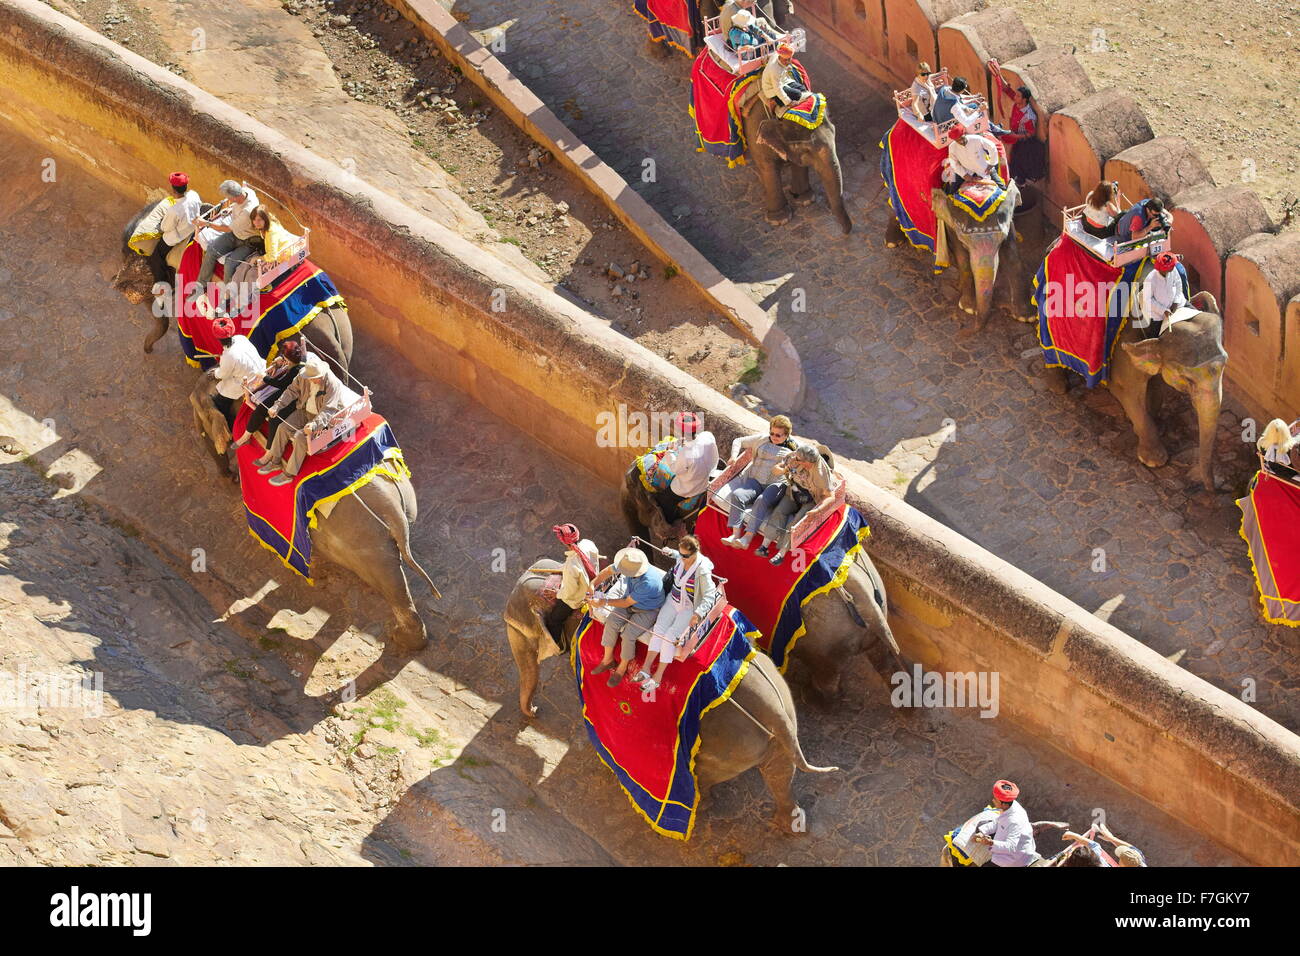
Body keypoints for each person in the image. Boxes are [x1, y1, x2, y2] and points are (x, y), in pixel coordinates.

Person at [253, 352, 361, 486]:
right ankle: (275, 461)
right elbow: (291, 391)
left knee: (300, 437)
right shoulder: (303, 375)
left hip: (324, 418)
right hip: (305, 410)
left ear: (321, 375)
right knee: (282, 427)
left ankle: (289, 474)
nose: (312, 380)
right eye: (310, 378)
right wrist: (277, 406)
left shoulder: (332, 384)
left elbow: (328, 410)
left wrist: (314, 425)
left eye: (315, 378)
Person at [636, 535, 720, 692]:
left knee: (669, 636)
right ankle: (646, 668)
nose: (682, 558)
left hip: (689, 607)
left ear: (695, 553)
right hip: (672, 601)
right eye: (680, 554)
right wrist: (671, 552)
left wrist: (699, 613)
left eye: (685, 555)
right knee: (658, 630)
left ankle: (658, 677)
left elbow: (710, 594)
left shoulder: (702, 570)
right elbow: (678, 555)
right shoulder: (681, 558)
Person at [587, 547, 667, 688]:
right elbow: (608, 572)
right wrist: (593, 584)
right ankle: (607, 660)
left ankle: (622, 668)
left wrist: (603, 601)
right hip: (629, 599)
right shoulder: (628, 564)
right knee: (611, 621)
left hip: (648, 609)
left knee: (628, 634)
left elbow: (626, 603)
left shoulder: (648, 583)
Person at [719, 414, 796, 546]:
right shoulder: (762, 439)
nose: (774, 437)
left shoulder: (794, 449)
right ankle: (735, 534)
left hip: (776, 484)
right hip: (754, 480)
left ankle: (747, 538)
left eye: (778, 435)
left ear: (786, 435)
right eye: (772, 433)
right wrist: (733, 457)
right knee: (737, 495)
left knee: (761, 500)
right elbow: (738, 441)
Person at [754, 442, 833, 566]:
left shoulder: (821, 472)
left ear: (810, 462)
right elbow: (776, 470)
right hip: (793, 491)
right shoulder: (794, 457)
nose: (796, 460)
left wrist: (817, 510)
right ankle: (764, 546)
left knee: (796, 522)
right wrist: (783, 469)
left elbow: (830, 497)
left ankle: (781, 553)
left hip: (812, 498)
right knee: (779, 511)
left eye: (800, 460)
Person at [190, 180, 264, 299]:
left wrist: (206, 223)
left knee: (229, 263)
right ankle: (201, 284)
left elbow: (226, 228)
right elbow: (235, 214)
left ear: (234, 197)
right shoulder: (246, 192)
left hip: (248, 240)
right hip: (236, 233)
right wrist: (231, 210)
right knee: (212, 250)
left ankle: (228, 296)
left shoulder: (247, 211)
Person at [232, 337, 306, 450]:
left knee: (274, 420)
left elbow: (280, 384)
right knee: (261, 408)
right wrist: (280, 359)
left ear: (289, 359)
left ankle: (270, 449)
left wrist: (264, 377)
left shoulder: (296, 370)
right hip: (286, 391)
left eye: (285, 357)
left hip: (294, 397)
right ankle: (246, 435)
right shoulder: (298, 360)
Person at [652, 412, 719, 524]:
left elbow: (675, 469)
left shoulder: (686, 453)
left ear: (682, 431)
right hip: (706, 478)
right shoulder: (707, 436)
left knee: (665, 499)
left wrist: (670, 451)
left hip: (691, 487)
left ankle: (669, 526)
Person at [544, 524, 601, 648]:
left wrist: (556, 593)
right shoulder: (588, 543)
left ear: (564, 542)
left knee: (554, 620)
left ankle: (557, 646)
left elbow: (570, 592)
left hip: (580, 598)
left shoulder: (571, 564)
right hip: (596, 585)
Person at [147, 171, 202, 291]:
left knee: (155, 256)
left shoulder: (174, 210)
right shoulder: (194, 195)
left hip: (178, 237)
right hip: (193, 229)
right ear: (186, 186)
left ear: (173, 189)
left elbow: (165, 228)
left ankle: (161, 286)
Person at [989, 71, 1045, 184]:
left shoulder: (1029, 116)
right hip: (1014, 138)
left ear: (1024, 99)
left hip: (1023, 143)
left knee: (1017, 165)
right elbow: (1006, 89)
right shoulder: (1017, 103)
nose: (1015, 97)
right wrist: (998, 74)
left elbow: (1031, 133)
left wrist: (1015, 136)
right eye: (1016, 95)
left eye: (1018, 96)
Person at [969, 779, 1039, 866]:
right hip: (1013, 844)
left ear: (1004, 804)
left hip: (1015, 858)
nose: (993, 801)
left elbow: (1011, 847)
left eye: (995, 800)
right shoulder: (1010, 805)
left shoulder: (1014, 821)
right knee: (981, 825)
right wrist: (982, 832)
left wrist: (991, 843)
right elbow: (998, 822)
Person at [211, 317, 265, 428]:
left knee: (220, 402)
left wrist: (215, 373)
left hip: (249, 382)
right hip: (261, 370)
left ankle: (230, 425)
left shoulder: (228, 356)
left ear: (217, 338)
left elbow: (223, 374)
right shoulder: (241, 338)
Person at [1136, 251, 1187, 337]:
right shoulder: (1150, 279)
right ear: (1164, 269)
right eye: (1172, 265)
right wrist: (1163, 310)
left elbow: (1178, 284)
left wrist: (1176, 301)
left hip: (1178, 304)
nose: (1174, 266)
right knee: (1154, 340)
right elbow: (1147, 300)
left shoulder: (1173, 270)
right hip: (1158, 314)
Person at [942, 123, 1001, 194]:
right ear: (954, 140)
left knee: (1002, 188)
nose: (961, 141)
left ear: (964, 134)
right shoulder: (952, 147)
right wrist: (965, 175)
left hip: (984, 169)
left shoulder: (976, 139)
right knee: (952, 192)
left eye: (961, 138)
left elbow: (992, 146)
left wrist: (991, 164)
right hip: (967, 171)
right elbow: (954, 163)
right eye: (958, 140)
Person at [761, 43, 809, 115]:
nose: (789, 62)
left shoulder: (778, 55)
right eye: (786, 60)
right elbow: (778, 89)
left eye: (790, 59)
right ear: (780, 58)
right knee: (798, 94)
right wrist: (789, 102)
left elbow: (780, 45)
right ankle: (775, 101)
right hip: (772, 89)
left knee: (803, 89)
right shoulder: (774, 70)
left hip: (784, 81)